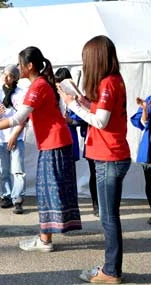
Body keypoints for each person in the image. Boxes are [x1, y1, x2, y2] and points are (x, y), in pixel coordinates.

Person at [0, 46, 82, 252]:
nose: (17, 68)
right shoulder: (40, 84)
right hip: (55, 143)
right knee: (46, 191)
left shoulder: (38, 86)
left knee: (47, 192)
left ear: (29, 66)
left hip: (55, 143)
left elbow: (17, 118)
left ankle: (45, 240)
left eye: (20, 64)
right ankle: (45, 238)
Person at [58, 35, 131, 284]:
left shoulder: (109, 83)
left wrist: (72, 104)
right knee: (108, 216)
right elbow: (101, 112)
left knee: (108, 217)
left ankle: (111, 272)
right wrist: (84, 101)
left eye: (86, 58)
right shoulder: (112, 81)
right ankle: (110, 268)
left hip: (110, 157)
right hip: (110, 155)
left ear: (95, 58)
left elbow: (101, 121)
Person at [55, 67, 99, 217]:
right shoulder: (55, 98)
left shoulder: (77, 98)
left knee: (76, 173)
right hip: (56, 138)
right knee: (59, 173)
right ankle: (62, 203)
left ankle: (94, 204)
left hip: (71, 138)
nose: (58, 86)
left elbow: (83, 119)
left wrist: (70, 120)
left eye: (60, 83)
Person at [0, 64, 28, 214]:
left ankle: (17, 198)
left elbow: (25, 117)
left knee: (18, 170)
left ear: (16, 78)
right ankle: (6, 196)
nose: (7, 77)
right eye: (5, 74)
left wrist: (14, 135)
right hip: (0, 137)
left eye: (11, 75)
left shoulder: (21, 93)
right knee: (3, 170)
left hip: (17, 136)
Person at [130, 96, 151, 225]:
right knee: (150, 183)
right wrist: (144, 109)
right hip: (149, 148)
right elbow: (143, 122)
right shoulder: (149, 100)